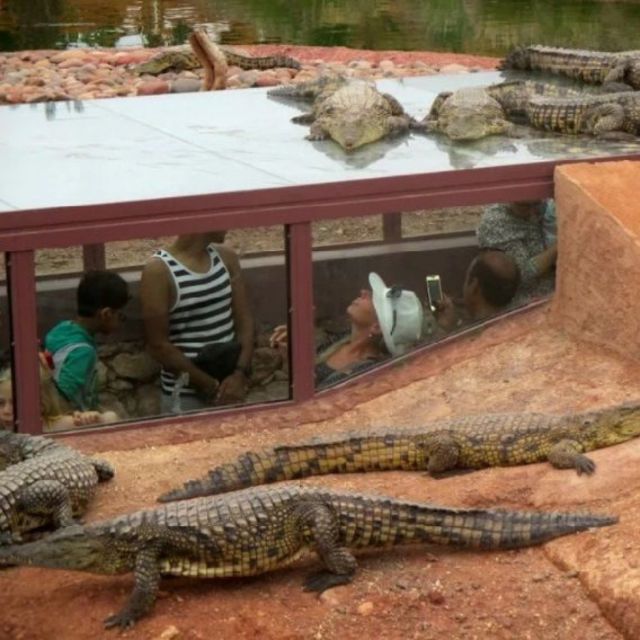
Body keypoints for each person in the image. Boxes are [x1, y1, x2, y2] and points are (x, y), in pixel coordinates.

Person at [140, 231, 254, 414]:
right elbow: (158, 345)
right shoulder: (159, 271)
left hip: (230, 384)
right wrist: (211, 386)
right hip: (186, 393)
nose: (228, 225)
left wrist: (239, 374)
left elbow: (245, 321)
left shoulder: (226, 257)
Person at [270, 272, 423, 387]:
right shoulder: (342, 339)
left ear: (376, 327)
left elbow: (317, 400)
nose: (363, 292)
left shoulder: (366, 371)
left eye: (373, 298)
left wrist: (296, 359)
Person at [44, 270, 129, 413]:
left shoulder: (62, 329)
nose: (121, 322)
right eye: (121, 316)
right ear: (106, 314)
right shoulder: (82, 352)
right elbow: (61, 400)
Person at [0, 357, 118, 432]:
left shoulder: (53, 427)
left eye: (15, 403)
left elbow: (112, 418)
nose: (6, 411)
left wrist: (96, 419)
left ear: (41, 404)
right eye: (0, 403)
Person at [476, 199, 557, 304]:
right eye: (524, 206)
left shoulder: (542, 209)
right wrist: (558, 247)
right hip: (523, 303)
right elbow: (522, 274)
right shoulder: (497, 222)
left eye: (537, 204)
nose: (533, 212)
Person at [434, 250, 521, 331]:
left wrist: (453, 329)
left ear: (474, 286)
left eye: (466, 278)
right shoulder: (519, 325)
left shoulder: (470, 341)